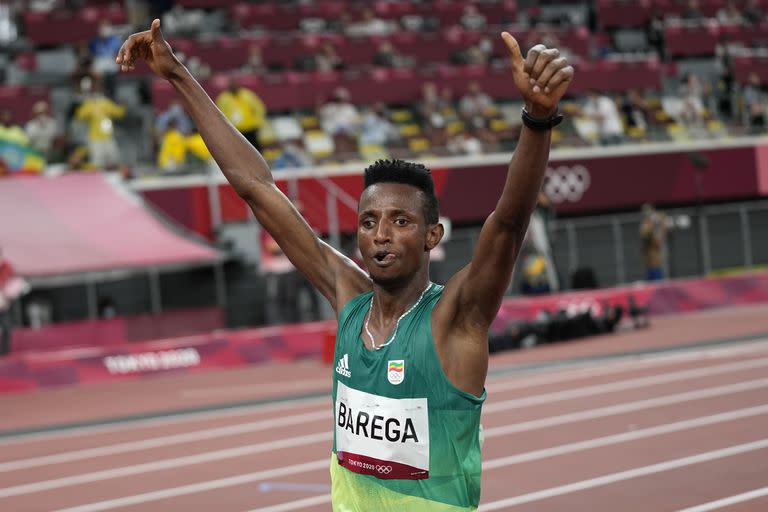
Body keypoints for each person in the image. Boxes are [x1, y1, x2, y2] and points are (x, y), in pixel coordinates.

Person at [117, 20, 573, 511]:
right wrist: (177, 74)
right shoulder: (350, 300)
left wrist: (537, 118)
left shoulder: (456, 318)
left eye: (400, 221)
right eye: (369, 221)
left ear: (431, 237)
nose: (381, 234)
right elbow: (256, 187)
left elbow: (507, 224)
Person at [640, 203, 670, 281]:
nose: (646, 212)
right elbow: (644, 233)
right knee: (651, 269)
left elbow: (665, 227)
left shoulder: (659, 218)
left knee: (657, 268)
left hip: (657, 250)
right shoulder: (646, 222)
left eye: (648, 210)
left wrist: (659, 235)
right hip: (650, 253)